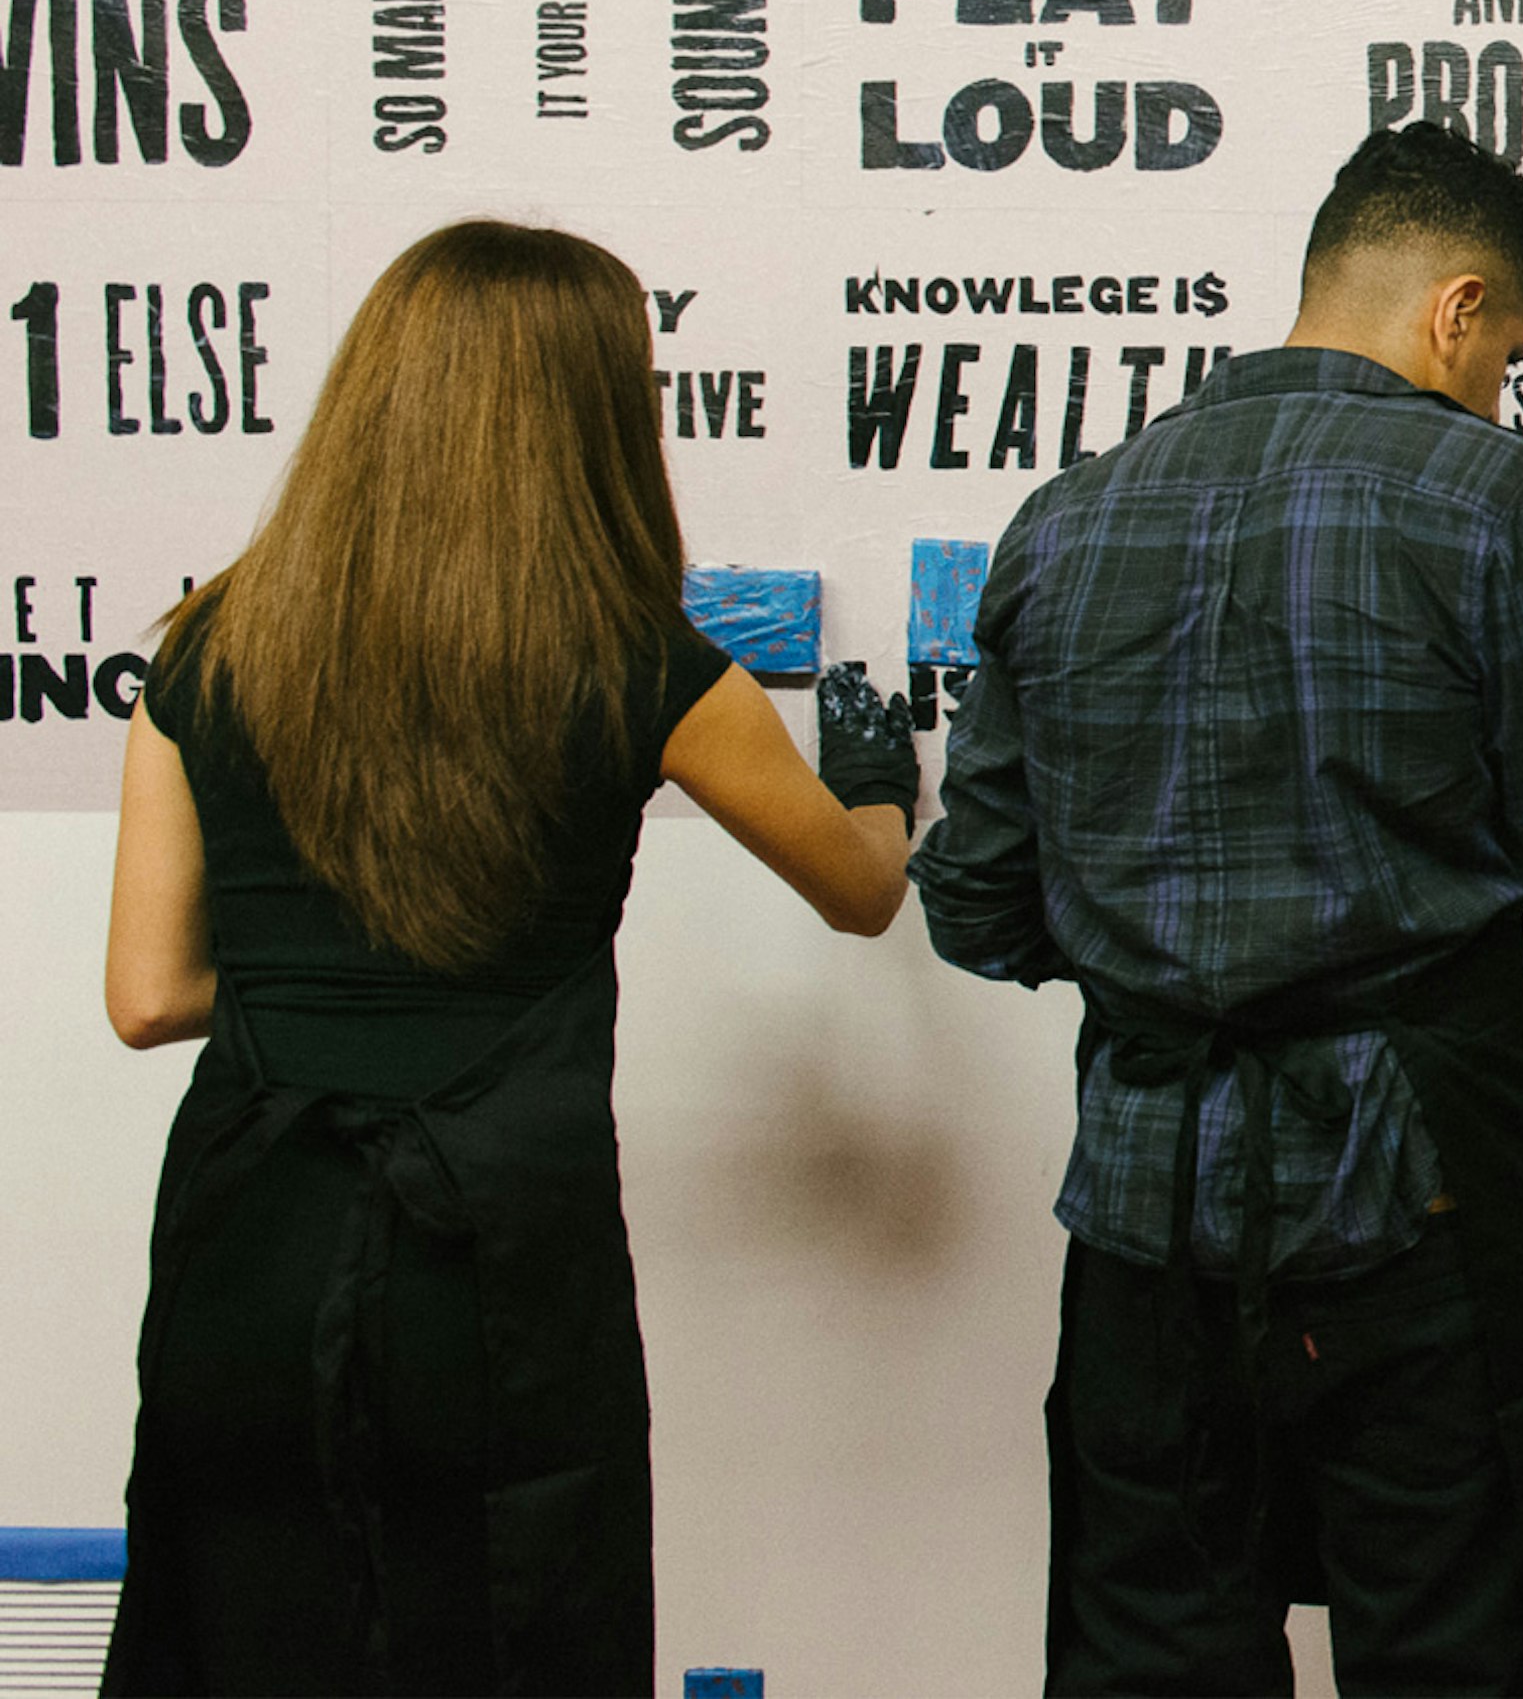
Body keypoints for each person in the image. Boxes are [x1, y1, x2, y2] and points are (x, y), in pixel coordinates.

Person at [99, 219, 921, 1698]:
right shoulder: (638, 661)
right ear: (594, 415)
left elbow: (149, 995)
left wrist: (324, 983)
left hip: (247, 1244)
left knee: (242, 1634)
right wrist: (882, 786)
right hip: (497, 1261)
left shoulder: (204, 650)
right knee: (514, 1634)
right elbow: (860, 894)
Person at [913, 122, 1523, 1699]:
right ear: (1458, 310)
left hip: (1144, 1212)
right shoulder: (1493, 498)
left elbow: (976, 903)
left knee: (1156, 1658)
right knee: (1462, 1656)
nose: (1502, 392)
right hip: (1422, 1205)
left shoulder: (1068, 512)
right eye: (1509, 354)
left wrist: (1167, 964)